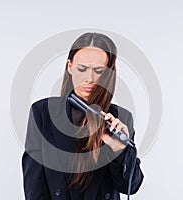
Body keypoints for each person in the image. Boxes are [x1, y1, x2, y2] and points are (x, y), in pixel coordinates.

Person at [22, 32, 144, 200]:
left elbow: (131, 185)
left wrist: (119, 150)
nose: (89, 78)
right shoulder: (43, 112)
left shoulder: (120, 118)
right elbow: (34, 186)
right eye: (82, 69)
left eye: (99, 71)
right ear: (69, 66)